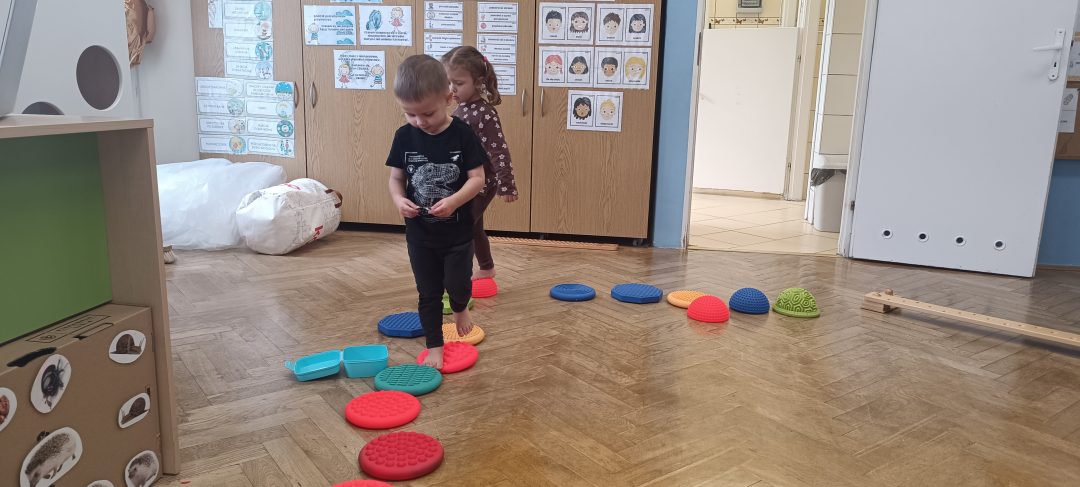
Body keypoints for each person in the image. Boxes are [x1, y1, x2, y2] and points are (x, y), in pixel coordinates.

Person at [386, 55, 487, 369]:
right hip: (420, 235)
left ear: (448, 98)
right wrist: (398, 200)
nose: (419, 121)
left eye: (427, 113)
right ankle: (435, 345)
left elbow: (478, 179)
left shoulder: (462, 134)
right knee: (428, 293)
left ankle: (460, 309)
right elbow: (396, 179)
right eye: (410, 113)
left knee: (458, 285)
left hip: (457, 234)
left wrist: (455, 201)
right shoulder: (404, 136)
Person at [442, 46, 519, 280]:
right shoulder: (460, 109)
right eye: (448, 83)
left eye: (459, 83)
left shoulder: (485, 113)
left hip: (483, 183)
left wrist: (506, 184)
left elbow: (499, 150)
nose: (452, 89)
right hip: (465, 182)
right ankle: (486, 268)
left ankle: (459, 274)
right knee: (473, 226)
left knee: (463, 227)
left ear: (478, 82)